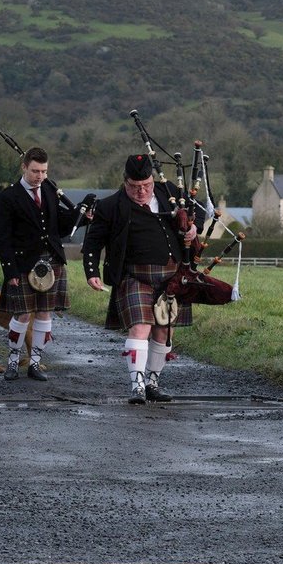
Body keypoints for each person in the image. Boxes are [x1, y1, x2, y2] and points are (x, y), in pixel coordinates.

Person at [82, 154, 202, 404]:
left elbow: (198, 212)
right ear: (125, 182)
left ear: (152, 180)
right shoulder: (111, 206)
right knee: (140, 326)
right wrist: (92, 272)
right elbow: (93, 242)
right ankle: (136, 384)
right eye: (135, 187)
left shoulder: (168, 192)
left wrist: (193, 228)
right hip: (135, 276)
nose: (142, 191)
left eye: (146, 185)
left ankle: (152, 382)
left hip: (170, 276)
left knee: (163, 330)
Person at [0, 147, 79, 381]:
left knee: (45, 313)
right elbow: (3, 238)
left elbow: (59, 226)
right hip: (23, 262)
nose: (40, 176)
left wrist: (81, 216)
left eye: (43, 171)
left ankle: (35, 362)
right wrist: (9, 270)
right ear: (24, 167)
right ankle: (13, 361)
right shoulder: (8, 197)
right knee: (22, 315)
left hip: (51, 260)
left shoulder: (50, 191)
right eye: (35, 171)